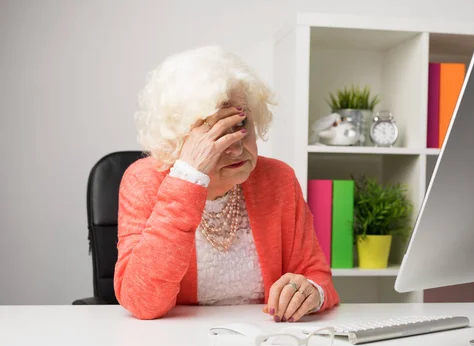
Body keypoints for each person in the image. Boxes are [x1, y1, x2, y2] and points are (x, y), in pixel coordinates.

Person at [114, 45, 340, 320]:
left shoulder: (279, 179)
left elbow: (316, 274)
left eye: (240, 126)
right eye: (216, 134)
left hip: (263, 342)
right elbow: (142, 302)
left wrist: (310, 291)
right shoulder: (144, 180)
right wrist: (189, 178)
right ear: (181, 140)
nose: (235, 149)